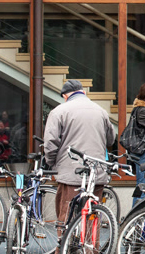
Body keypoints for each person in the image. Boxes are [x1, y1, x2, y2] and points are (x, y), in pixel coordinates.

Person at [44, 80, 115, 247]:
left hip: (71, 172)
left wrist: (52, 163)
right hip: (96, 172)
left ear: (65, 95)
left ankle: (65, 248)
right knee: (92, 214)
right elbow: (111, 139)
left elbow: (50, 143)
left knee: (66, 213)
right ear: (83, 92)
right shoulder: (101, 111)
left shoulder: (59, 111)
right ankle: (91, 249)